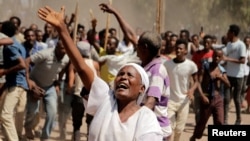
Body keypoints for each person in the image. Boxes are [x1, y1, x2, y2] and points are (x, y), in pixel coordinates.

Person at [37, 5, 163, 141]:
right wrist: (62, 29)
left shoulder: (146, 119)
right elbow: (82, 67)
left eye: (129, 75)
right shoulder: (106, 99)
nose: (123, 78)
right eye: (120, 74)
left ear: (142, 88)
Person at [99, 3, 172, 140]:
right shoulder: (146, 66)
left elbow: (150, 102)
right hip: (144, 125)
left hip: (156, 129)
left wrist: (128, 120)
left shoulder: (157, 70)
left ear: (144, 48)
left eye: (137, 46)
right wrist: (115, 12)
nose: (134, 47)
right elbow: (130, 34)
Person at [24, 39, 69, 140]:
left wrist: (57, 83)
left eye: (66, 49)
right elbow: (26, 61)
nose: (65, 51)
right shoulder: (45, 53)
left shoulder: (66, 58)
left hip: (49, 86)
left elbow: (62, 69)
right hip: (35, 85)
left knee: (52, 112)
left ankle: (45, 137)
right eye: (62, 48)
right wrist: (29, 81)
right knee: (33, 111)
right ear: (56, 47)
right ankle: (28, 127)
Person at [190, 49, 230, 141]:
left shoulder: (222, 70)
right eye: (215, 56)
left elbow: (228, 84)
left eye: (219, 57)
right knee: (202, 122)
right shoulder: (205, 67)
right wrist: (202, 96)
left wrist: (221, 78)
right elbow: (198, 82)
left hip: (219, 98)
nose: (216, 58)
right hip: (207, 98)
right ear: (212, 56)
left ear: (222, 58)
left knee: (219, 121)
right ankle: (195, 136)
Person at [164, 39, 199, 141]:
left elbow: (196, 81)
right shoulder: (167, 64)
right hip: (170, 100)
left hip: (184, 101)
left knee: (179, 129)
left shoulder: (191, 65)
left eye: (181, 48)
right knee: (170, 128)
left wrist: (191, 90)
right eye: (177, 48)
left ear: (185, 51)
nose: (178, 50)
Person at [0, 21, 28, 141]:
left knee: (5, 115)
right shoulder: (18, 43)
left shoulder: (10, 46)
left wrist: (5, 71)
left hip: (16, 84)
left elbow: (22, 65)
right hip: (16, 83)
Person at [222, 24, 246, 125]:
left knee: (236, 99)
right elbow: (224, 55)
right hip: (228, 75)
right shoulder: (229, 44)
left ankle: (238, 119)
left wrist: (228, 59)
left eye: (228, 32)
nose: (227, 34)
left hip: (238, 76)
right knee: (226, 98)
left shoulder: (241, 45)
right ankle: (225, 120)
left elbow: (243, 60)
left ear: (232, 33)